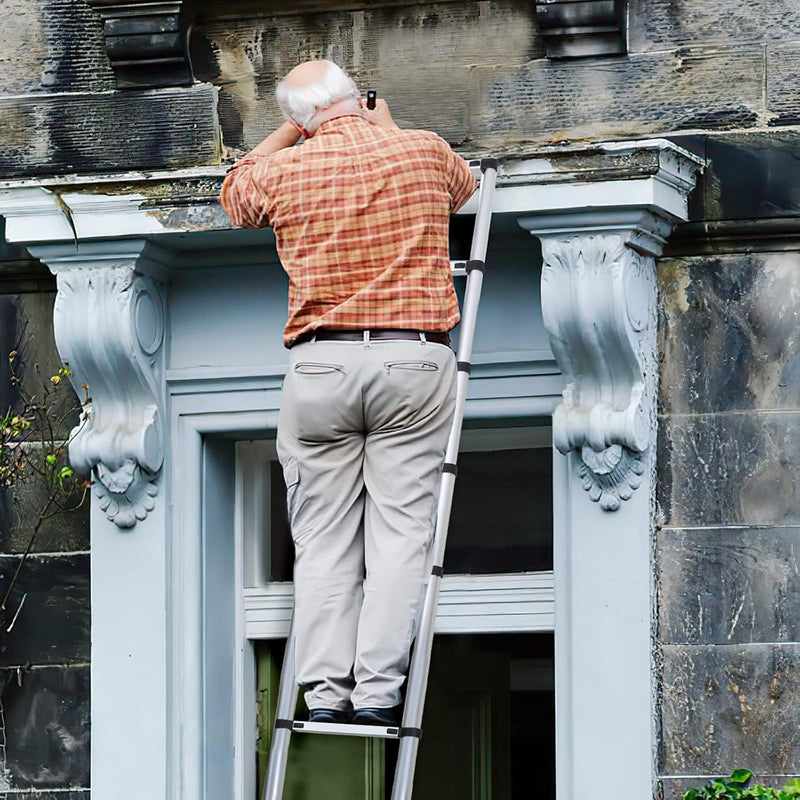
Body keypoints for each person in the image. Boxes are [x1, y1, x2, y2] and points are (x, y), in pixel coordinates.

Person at [219, 60, 476, 726]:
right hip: (411, 360)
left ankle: (326, 694)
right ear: (355, 102)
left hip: (320, 367)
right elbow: (465, 185)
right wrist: (375, 118)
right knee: (399, 538)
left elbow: (236, 191)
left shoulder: (285, 170)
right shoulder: (420, 151)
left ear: (304, 119)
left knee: (324, 544)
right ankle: (379, 693)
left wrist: (292, 129)